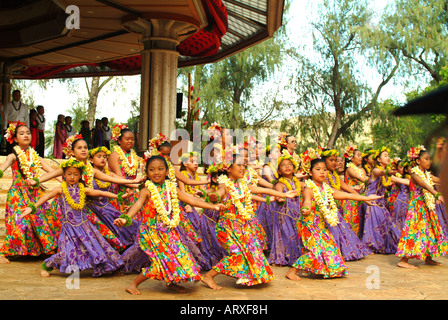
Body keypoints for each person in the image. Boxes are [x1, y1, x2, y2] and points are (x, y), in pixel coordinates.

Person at [113, 154, 226, 295]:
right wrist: (125, 218)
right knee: (160, 261)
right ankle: (133, 283)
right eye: (152, 169)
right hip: (152, 232)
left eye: (160, 169)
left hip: (169, 230)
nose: (156, 172)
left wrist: (212, 206)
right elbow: (137, 205)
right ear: (147, 172)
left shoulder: (172, 188)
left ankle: (171, 283)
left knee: (180, 256)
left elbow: (191, 200)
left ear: (167, 172)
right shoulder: (146, 190)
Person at [202, 152, 298, 290]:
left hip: (243, 226)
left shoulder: (242, 184)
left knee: (252, 251)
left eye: (244, 165)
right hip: (228, 227)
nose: (243, 168)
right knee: (237, 254)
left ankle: (247, 275)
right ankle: (209, 276)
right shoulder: (225, 183)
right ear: (228, 168)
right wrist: (214, 197)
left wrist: (283, 194)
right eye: (239, 165)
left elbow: (262, 190)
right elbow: (220, 192)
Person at [285, 149, 382, 281]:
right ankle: (292, 270)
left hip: (321, 227)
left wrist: (365, 198)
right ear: (310, 172)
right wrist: (306, 209)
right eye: (318, 169)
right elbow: (307, 200)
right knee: (316, 251)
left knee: (332, 251)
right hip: (309, 226)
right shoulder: (309, 187)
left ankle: (319, 269)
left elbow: (345, 195)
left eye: (324, 169)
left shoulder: (326, 188)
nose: (322, 172)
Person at [20, 158, 127, 277]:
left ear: (80, 175)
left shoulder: (83, 189)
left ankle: (109, 267)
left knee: (96, 247)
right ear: (64, 175)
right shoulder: (60, 190)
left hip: (85, 227)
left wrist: (118, 196)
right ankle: (48, 265)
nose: (72, 177)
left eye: (75, 174)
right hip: (69, 228)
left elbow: (101, 193)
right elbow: (46, 197)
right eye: (69, 174)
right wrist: (32, 207)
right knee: (67, 251)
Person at [0, 122, 60, 264]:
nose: (26, 135)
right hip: (18, 194)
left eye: (28, 132)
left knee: (41, 220)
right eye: (21, 133)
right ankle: (5, 252)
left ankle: (40, 250)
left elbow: (53, 171)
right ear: (15, 139)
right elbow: (3, 166)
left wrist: (66, 181)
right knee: (21, 221)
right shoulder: (13, 156)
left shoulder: (36, 157)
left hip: (34, 192)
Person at [396, 146, 447, 269]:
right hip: (416, 207)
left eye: (429, 159)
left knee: (430, 230)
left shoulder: (427, 174)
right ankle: (403, 260)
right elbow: (425, 185)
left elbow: (438, 180)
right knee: (414, 231)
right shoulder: (414, 174)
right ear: (418, 161)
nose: (429, 161)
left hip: (426, 207)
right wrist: (437, 194)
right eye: (426, 159)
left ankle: (428, 258)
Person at [358, 147, 404, 254]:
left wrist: (412, 181)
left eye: (388, 156)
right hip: (371, 200)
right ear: (378, 160)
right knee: (374, 224)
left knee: (386, 223)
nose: (388, 158)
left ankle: (381, 246)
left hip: (380, 202)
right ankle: (370, 246)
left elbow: (399, 180)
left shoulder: (387, 175)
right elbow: (382, 172)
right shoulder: (375, 170)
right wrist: (390, 172)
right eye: (385, 156)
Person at [267, 149, 303, 266]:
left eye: (290, 165)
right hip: (284, 214)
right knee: (286, 236)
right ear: (279, 171)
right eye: (283, 165)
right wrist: (280, 198)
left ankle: (294, 256)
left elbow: (309, 188)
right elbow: (279, 192)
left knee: (295, 235)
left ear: (294, 168)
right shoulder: (280, 183)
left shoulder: (297, 182)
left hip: (295, 214)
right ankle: (282, 257)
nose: (287, 167)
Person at [4, 90, 29, 155]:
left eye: (18, 95)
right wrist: (5, 128)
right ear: (13, 96)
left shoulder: (24, 106)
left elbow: (26, 118)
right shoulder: (8, 105)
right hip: (11, 126)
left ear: (20, 96)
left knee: (21, 142)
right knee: (10, 143)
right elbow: (5, 116)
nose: (17, 97)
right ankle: (9, 156)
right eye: (15, 95)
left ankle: (21, 157)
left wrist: (27, 128)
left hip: (21, 126)